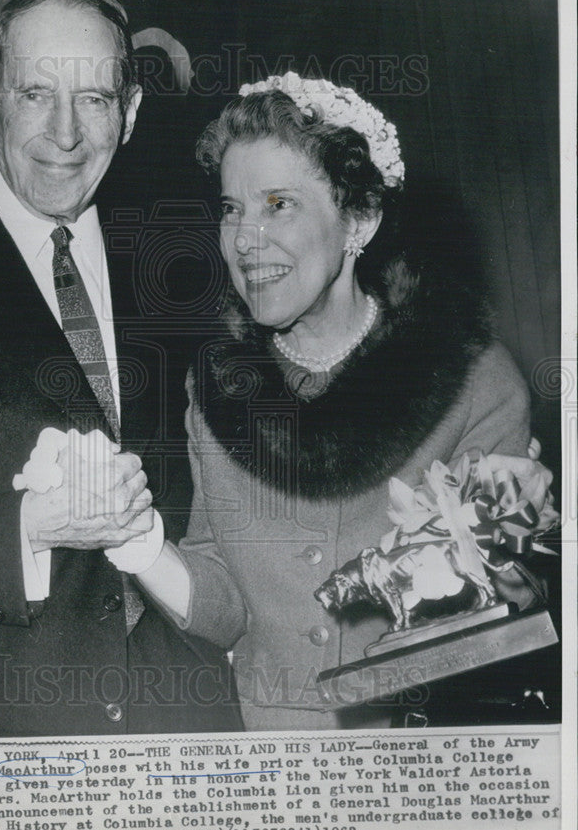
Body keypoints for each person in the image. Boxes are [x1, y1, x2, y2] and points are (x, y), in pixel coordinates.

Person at [130, 74, 550, 731]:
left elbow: (494, 620)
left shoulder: (472, 380)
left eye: (279, 205)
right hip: (273, 765)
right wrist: (137, 544)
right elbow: (227, 601)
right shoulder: (213, 389)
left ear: (359, 221)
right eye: (231, 208)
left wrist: (485, 543)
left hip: (423, 758)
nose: (244, 239)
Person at [0, 0, 242, 738]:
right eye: (36, 93)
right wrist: (25, 528)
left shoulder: (190, 277)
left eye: (92, 99)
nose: (64, 133)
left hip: (185, 732)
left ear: (128, 116)